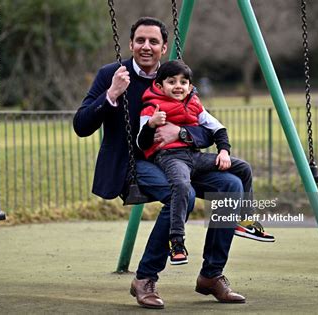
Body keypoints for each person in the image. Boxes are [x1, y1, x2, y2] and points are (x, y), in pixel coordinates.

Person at [74, 17, 246, 309]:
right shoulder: (111, 75)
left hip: (178, 158)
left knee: (231, 185)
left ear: (164, 47)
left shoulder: (175, 78)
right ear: (130, 44)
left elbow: (204, 126)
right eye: (140, 40)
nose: (146, 46)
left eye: (153, 41)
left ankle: (211, 274)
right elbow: (81, 125)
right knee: (185, 194)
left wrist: (179, 132)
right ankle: (145, 278)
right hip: (132, 163)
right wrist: (112, 93)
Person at [136, 60, 274, 265]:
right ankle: (176, 241)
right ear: (159, 85)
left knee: (243, 168)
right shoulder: (151, 108)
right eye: (171, 81)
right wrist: (151, 125)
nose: (178, 86)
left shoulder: (194, 104)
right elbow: (141, 142)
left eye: (183, 82)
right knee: (182, 186)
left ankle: (244, 220)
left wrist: (224, 152)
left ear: (190, 86)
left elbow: (218, 129)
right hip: (171, 158)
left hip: (195, 157)